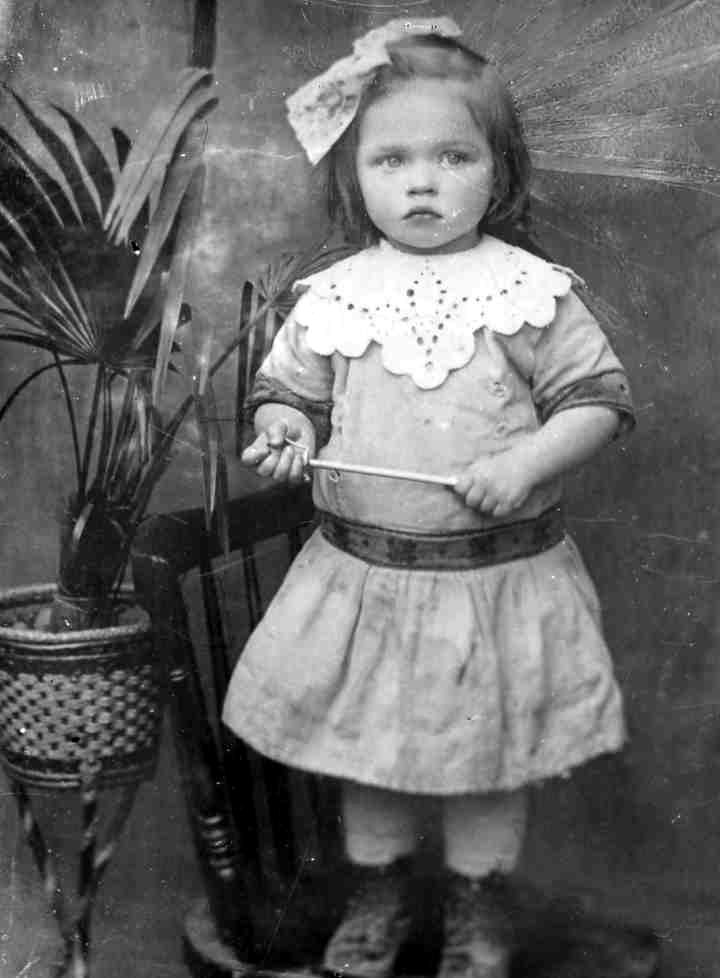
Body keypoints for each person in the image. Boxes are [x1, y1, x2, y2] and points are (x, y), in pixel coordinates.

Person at [223, 17, 635, 978]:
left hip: (494, 585)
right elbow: (289, 395)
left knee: (485, 765)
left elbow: (599, 403)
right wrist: (287, 432)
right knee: (369, 757)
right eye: (392, 159)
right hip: (364, 584)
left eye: (453, 157)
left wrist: (528, 461)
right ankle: (378, 896)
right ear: (353, 175)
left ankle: (477, 909)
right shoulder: (334, 296)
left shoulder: (530, 292)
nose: (422, 182)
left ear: (500, 170)